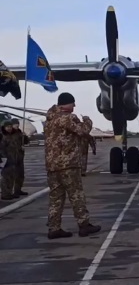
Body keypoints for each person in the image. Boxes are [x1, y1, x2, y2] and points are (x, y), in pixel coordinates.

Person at [44, 92, 101, 239]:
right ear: (65, 104)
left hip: (52, 166)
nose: (74, 106)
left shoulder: (50, 120)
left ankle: (54, 228)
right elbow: (82, 131)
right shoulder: (67, 118)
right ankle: (83, 225)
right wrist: (87, 121)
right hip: (68, 164)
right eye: (72, 103)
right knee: (76, 195)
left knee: (56, 198)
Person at [11, 118, 29, 197]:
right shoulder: (9, 133)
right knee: (12, 175)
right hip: (12, 156)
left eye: (17, 124)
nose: (17, 125)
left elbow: (25, 142)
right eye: (15, 124)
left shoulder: (19, 132)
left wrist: (25, 137)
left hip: (20, 156)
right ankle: (10, 191)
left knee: (20, 174)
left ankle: (18, 190)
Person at [0, 120, 18, 200]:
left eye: (10, 127)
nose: (9, 128)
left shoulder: (13, 136)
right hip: (5, 160)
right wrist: (4, 159)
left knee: (12, 177)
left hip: (13, 159)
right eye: (7, 127)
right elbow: (2, 149)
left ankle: (10, 192)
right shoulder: (2, 137)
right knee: (5, 177)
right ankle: (5, 194)